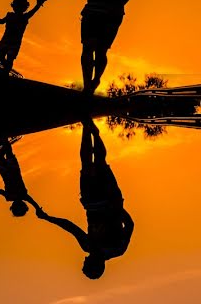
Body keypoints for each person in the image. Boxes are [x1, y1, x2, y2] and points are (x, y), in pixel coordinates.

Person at [36, 119, 134, 279]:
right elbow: (130, 225)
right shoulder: (117, 249)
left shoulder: (87, 245)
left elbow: (70, 227)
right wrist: (116, 208)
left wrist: (48, 218)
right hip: (110, 199)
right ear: (96, 264)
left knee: (86, 164)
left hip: (90, 201)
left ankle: (85, 125)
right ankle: (94, 132)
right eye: (86, 263)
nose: (84, 259)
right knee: (101, 163)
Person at [0, 0, 42, 73]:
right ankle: (6, 68)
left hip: (15, 42)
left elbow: (34, 10)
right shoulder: (9, 15)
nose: (18, 8)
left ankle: (6, 71)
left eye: (21, 7)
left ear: (24, 8)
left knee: (10, 57)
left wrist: (38, 4)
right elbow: (1, 21)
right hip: (5, 40)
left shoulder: (25, 17)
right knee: (0, 54)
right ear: (13, 6)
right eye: (16, 6)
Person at [0, 140, 41, 217]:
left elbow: (0, 191)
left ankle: (5, 143)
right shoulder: (22, 196)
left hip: (8, 172)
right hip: (11, 171)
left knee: (2, 157)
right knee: (6, 155)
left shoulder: (14, 197)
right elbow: (33, 202)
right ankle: (5, 142)